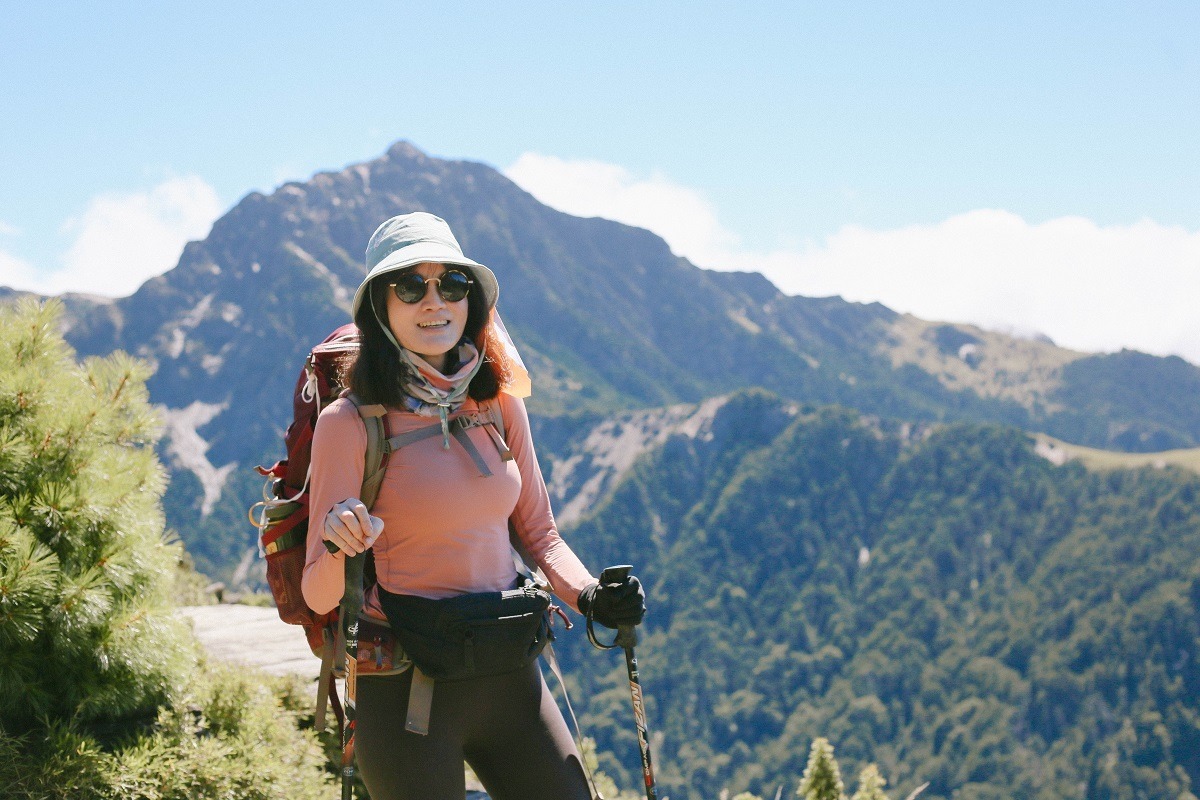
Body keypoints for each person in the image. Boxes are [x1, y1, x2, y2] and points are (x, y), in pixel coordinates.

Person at [301, 211, 646, 800]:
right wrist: (337, 544)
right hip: (403, 684)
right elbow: (319, 594)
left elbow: (540, 535)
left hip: (508, 669)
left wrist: (590, 595)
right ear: (380, 308)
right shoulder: (350, 423)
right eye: (411, 286)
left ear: (471, 300)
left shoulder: (498, 407)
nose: (434, 302)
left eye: (451, 285)